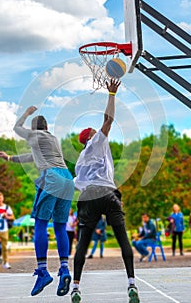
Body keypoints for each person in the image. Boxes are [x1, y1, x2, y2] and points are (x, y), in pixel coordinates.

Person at [70, 79, 140, 303]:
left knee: (82, 243)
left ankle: (76, 287)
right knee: (123, 239)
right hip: (107, 194)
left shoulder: (80, 161)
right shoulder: (97, 142)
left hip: (88, 196)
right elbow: (108, 120)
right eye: (93, 131)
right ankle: (132, 284)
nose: (97, 131)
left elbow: (75, 183)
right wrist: (111, 93)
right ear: (89, 136)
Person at [0, 106, 75, 297]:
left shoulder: (34, 136)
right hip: (67, 180)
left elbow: (16, 127)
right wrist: (10, 158)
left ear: (34, 128)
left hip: (52, 177)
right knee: (60, 227)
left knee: (40, 224)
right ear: (46, 126)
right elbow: (32, 156)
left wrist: (26, 112)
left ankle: (43, 270)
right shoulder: (53, 140)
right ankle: (64, 268)